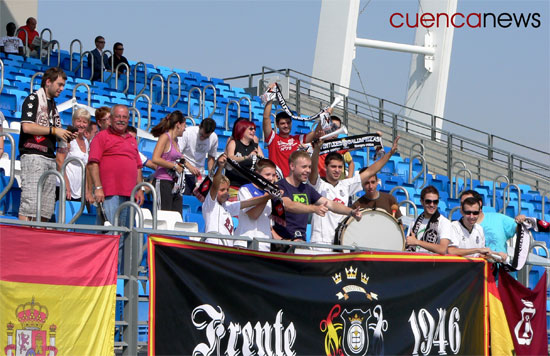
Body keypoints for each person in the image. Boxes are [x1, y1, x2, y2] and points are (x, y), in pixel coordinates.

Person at [310, 136, 401, 249]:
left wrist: (390, 153)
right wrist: (317, 150)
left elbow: (371, 171)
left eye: (340, 167)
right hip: (320, 242)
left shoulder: (345, 185)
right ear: (325, 167)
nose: (337, 170)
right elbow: (313, 169)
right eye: (333, 167)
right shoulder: (317, 184)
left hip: (340, 242)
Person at [18, 67, 77, 221]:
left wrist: (65, 135)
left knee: (46, 209)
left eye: (63, 85)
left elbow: (54, 131)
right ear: (48, 82)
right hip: (33, 155)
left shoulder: (53, 105)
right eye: (59, 84)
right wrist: (54, 131)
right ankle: (23, 242)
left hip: (50, 157)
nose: (62, 89)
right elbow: (27, 126)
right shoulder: (33, 98)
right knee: (30, 205)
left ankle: (38, 242)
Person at [272, 150, 361, 251]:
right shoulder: (280, 185)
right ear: (292, 166)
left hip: (300, 243)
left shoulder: (307, 189)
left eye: (309, 167)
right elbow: (288, 205)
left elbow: (331, 204)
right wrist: (314, 208)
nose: (308, 170)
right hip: (281, 244)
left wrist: (351, 212)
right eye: (304, 167)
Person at [87, 104, 144, 226]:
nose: (121, 120)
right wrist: (98, 188)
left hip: (130, 194)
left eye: (124, 117)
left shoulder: (132, 139)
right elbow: (93, 164)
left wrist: (139, 189)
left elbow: (138, 166)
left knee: (126, 233)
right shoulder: (101, 137)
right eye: (118, 116)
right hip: (109, 194)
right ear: (111, 118)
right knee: (109, 232)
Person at [202, 153, 271, 246]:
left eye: (227, 189)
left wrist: (268, 197)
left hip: (227, 250)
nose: (226, 192)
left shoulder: (228, 206)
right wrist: (221, 167)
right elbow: (215, 185)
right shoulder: (210, 205)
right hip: (213, 248)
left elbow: (248, 203)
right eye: (222, 190)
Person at [262, 83, 322, 178]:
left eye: (288, 123)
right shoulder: (273, 138)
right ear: (277, 125)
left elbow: (315, 133)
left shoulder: (297, 139)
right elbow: (266, 118)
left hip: (294, 182)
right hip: (279, 181)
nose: (286, 126)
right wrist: (271, 97)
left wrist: (324, 117)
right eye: (282, 123)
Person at [234, 158, 278, 251]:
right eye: (267, 174)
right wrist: (267, 197)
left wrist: (283, 241)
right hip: (245, 244)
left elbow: (269, 226)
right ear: (257, 174)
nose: (271, 178)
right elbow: (253, 215)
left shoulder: (270, 195)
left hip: (264, 246)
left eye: (273, 175)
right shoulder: (245, 190)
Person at [150, 111, 187, 213]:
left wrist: (191, 168)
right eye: (184, 126)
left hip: (175, 183)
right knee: (164, 215)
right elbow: (155, 158)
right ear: (178, 125)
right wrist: (174, 166)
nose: (185, 129)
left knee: (176, 216)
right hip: (163, 181)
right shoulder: (165, 137)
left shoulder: (176, 141)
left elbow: (180, 158)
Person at [459, 190, 517, 254]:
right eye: (461, 204)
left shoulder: (498, 218)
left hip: (499, 262)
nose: (462, 206)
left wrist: (522, 220)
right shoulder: (457, 227)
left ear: (479, 203)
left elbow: (520, 228)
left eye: (468, 202)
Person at [405, 186, 453, 255]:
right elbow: (408, 244)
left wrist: (417, 242)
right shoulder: (414, 222)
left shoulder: (444, 222)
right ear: (421, 201)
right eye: (428, 201)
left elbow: (442, 249)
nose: (432, 205)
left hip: (434, 264)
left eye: (435, 202)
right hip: (414, 263)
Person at [177, 117, 218, 195]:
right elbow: (178, 153)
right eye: (201, 135)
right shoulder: (188, 133)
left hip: (200, 174)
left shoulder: (214, 138)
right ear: (199, 126)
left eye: (206, 137)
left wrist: (210, 174)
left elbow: (211, 157)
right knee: (186, 198)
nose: (203, 138)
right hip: (185, 171)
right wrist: (189, 167)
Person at [225, 118, 264, 198]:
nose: (254, 131)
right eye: (250, 129)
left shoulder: (254, 145)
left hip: (249, 186)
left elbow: (263, 161)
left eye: (254, 129)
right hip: (234, 185)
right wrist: (246, 157)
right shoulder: (234, 142)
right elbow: (230, 158)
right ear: (242, 129)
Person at [60, 108, 90, 201]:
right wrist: (66, 186)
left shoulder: (86, 141)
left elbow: (86, 167)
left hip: (80, 189)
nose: (81, 125)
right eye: (79, 121)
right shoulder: (67, 138)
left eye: (84, 122)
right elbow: (59, 162)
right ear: (73, 121)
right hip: (66, 188)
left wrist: (87, 189)